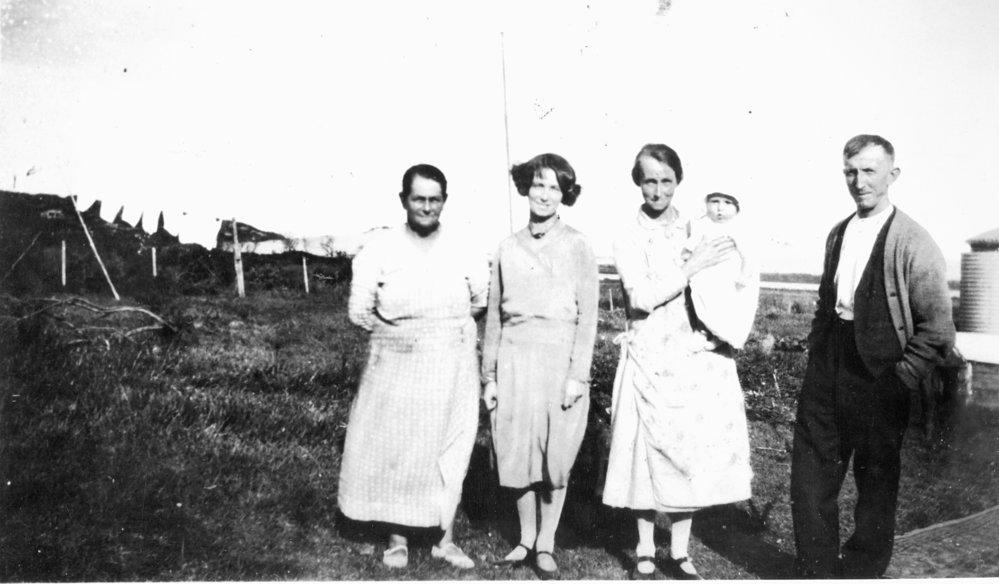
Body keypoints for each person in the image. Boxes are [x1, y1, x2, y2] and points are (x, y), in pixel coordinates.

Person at [790, 135, 955, 578]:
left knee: (876, 482)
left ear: (891, 175)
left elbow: (939, 329)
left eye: (869, 171)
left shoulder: (914, 242)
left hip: (882, 375)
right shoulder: (838, 233)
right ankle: (818, 570)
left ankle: (862, 570)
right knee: (810, 477)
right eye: (850, 171)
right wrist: (816, 354)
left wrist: (900, 378)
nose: (858, 181)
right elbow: (829, 304)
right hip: (828, 365)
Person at [602, 144, 754, 580]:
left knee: (688, 453)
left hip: (691, 352)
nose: (657, 189)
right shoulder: (627, 234)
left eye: (666, 180)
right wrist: (690, 268)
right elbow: (640, 296)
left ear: (678, 182)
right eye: (649, 179)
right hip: (649, 350)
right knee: (646, 457)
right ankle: (646, 548)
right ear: (638, 181)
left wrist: (722, 328)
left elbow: (729, 277)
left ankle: (680, 550)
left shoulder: (695, 226)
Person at [338, 163, 487, 570]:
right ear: (403, 200)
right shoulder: (380, 248)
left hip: (452, 362)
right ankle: (397, 539)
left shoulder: (464, 248)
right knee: (399, 448)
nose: (426, 206)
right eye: (418, 198)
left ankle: (445, 539)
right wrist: (400, 336)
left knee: (449, 448)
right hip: (396, 362)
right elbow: (358, 311)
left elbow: (479, 301)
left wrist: (440, 332)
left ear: (444, 201)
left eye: (434, 199)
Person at [480, 153, 599, 579]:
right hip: (514, 358)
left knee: (555, 455)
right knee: (517, 452)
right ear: (525, 188)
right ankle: (525, 539)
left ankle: (547, 542)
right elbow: (494, 315)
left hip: (559, 359)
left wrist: (577, 376)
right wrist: (489, 375)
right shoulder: (507, 248)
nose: (545, 194)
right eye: (537, 185)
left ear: (565, 193)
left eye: (554, 187)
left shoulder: (579, 245)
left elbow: (588, 318)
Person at [681, 192, 759, 351]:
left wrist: (744, 275)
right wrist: (686, 257)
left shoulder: (738, 228)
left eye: (727, 203)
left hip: (728, 277)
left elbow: (748, 256)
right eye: (714, 202)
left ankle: (721, 337)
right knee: (701, 302)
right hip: (704, 274)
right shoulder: (702, 225)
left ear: (737, 208)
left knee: (723, 307)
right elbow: (690, 247)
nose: (720, 208)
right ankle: (702, 331)